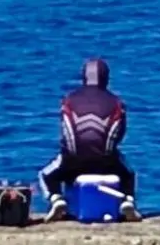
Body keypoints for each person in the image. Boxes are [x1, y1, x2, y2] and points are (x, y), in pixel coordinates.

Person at [39, 57, 135, 204]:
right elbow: (120, 134)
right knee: (128, 175)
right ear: (106, 78)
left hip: (72, 161)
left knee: (45, 175)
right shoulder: (117, 102)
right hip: (106, 161)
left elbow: (65, 133)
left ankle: (56, 199)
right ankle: (127, 201)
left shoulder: (69, 100)